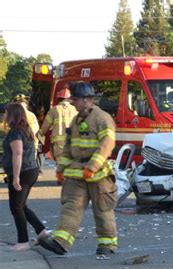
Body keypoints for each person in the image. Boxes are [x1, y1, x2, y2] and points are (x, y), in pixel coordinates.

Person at [38, 81, 118, 256]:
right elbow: (68, 147)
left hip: (98, 175)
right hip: (76, 172)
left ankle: (107, 244)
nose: (72, 102)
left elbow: (107, 144)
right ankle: (61, 242)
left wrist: (92, 166)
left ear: (87, 99)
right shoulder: (76, 120)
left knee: (102, 210)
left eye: (75, 99)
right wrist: (61, 168)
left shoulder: (102, 118)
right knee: (71, 207)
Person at [2, 102, 49, 251]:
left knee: (16, 207)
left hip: (22, 173)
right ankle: (41, 231)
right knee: (21, 205)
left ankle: (23, 241)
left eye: (6, 113)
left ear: (12, 115)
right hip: (30, 170)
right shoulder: (25, 129)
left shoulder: (16, 132)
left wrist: (15, 177)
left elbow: (17, 154)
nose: (4, 116)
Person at [39, 88, 78, 164]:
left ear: (59, 98)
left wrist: (39, 134)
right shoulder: (75, 110)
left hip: (58, 144)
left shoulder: (54, 110)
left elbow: (45, 127)